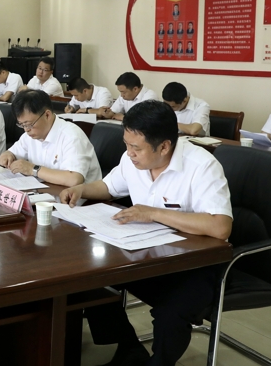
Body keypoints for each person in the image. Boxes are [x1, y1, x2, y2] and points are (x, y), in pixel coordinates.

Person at [59, 101, 232, 366]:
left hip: (194, 263)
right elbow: (108, 187)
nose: (129, 153)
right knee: (87, 280)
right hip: (146, 252)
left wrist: (153, 213)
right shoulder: (133, 160)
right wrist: (81, 190)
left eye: (136, 148)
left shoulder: (202, 166)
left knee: (171, 314)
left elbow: (220, 227)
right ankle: (129, 349)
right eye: (126, 145)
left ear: (164, 146)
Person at [0, 90, 101, 186]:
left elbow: (74, 179)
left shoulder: (72, 136)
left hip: (78, 197)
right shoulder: (30, 135)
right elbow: (11, 153)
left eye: (29, 124)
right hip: (44, 191)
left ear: (47, 115)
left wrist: (33, 169)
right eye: (22, 125)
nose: (26, 130)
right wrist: (7, 156)